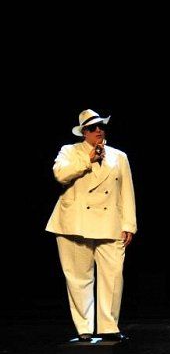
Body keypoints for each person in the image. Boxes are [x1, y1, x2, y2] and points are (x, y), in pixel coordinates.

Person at [45, 109, 137, 341]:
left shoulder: (119, 156)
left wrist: (129, 224)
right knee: (78, 278)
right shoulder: (70, 151)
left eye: (101, 126)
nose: (98, 130)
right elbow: (60, 175)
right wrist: (88, 160)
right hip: (74, 222)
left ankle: (109, 326)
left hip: (110, 223)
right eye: (92, 127)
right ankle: (84, 327)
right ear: (83, 132)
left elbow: (127, 192)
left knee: (113, 275)